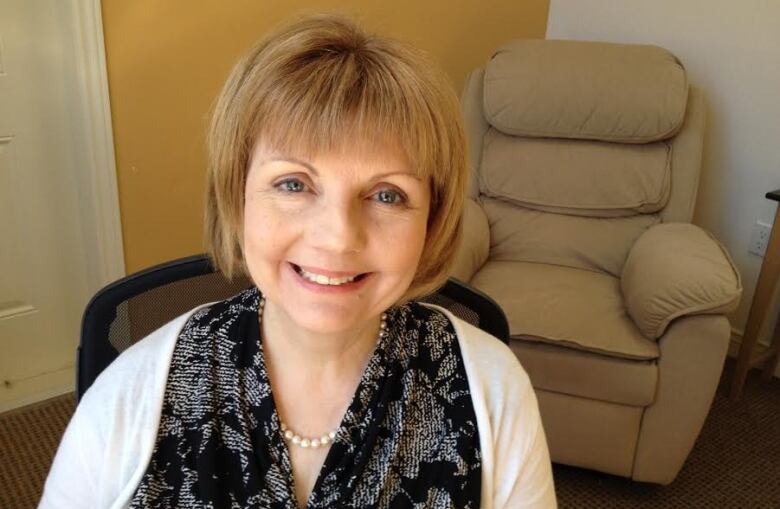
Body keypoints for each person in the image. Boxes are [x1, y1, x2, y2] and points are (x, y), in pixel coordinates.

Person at [39, 14, 556, 508]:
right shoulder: (131, 397)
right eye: (293, 184)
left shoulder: (492, 389)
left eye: (387, 195)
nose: (337, 238)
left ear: (432, 218)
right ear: (236, 199)